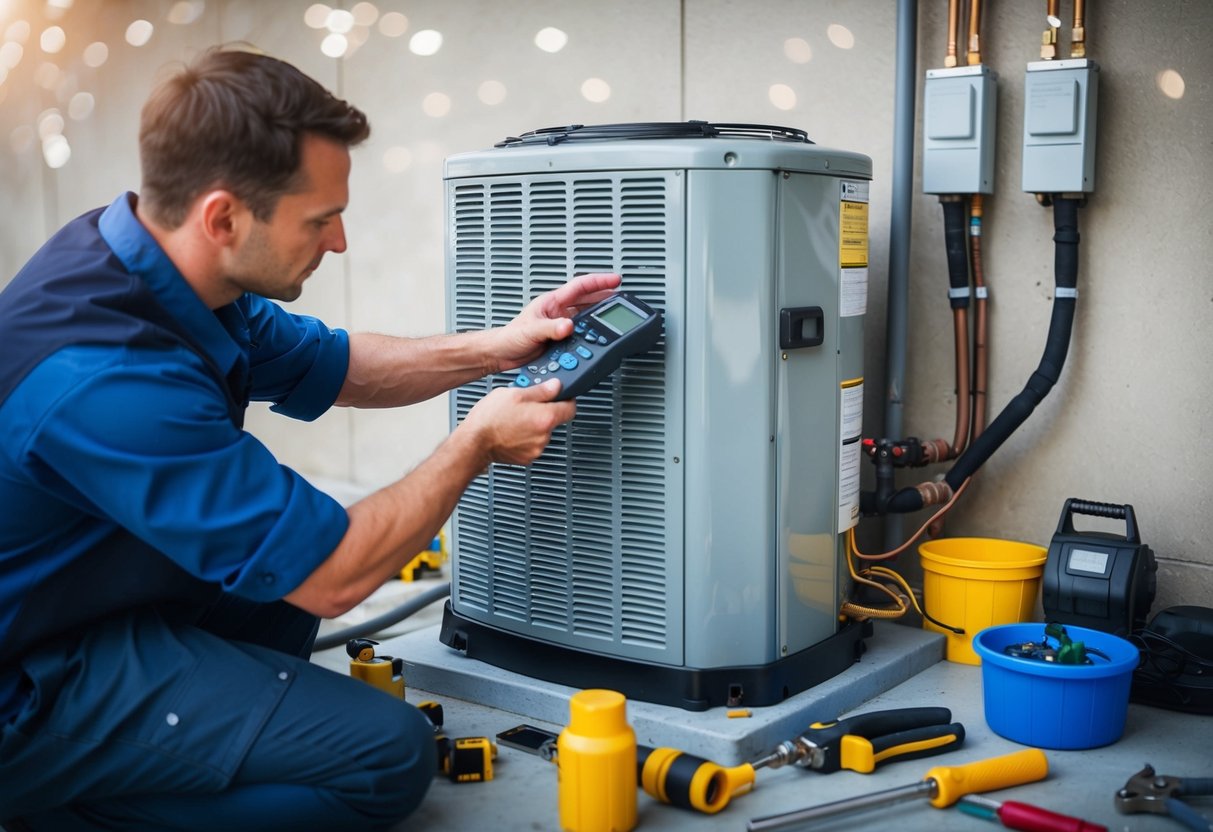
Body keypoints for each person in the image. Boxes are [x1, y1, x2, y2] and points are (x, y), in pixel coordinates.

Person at [0, 47, 621, 830]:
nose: (339, 244)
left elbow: (337, 365)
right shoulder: (105, 378)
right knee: (383, 757)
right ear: (223, 216)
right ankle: (56, 806)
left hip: (80, 603)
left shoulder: (154, 263)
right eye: (319, 220)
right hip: (27, 680)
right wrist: (475, 445)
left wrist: (496, 346)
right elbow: (334, 577)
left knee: (274, 593)